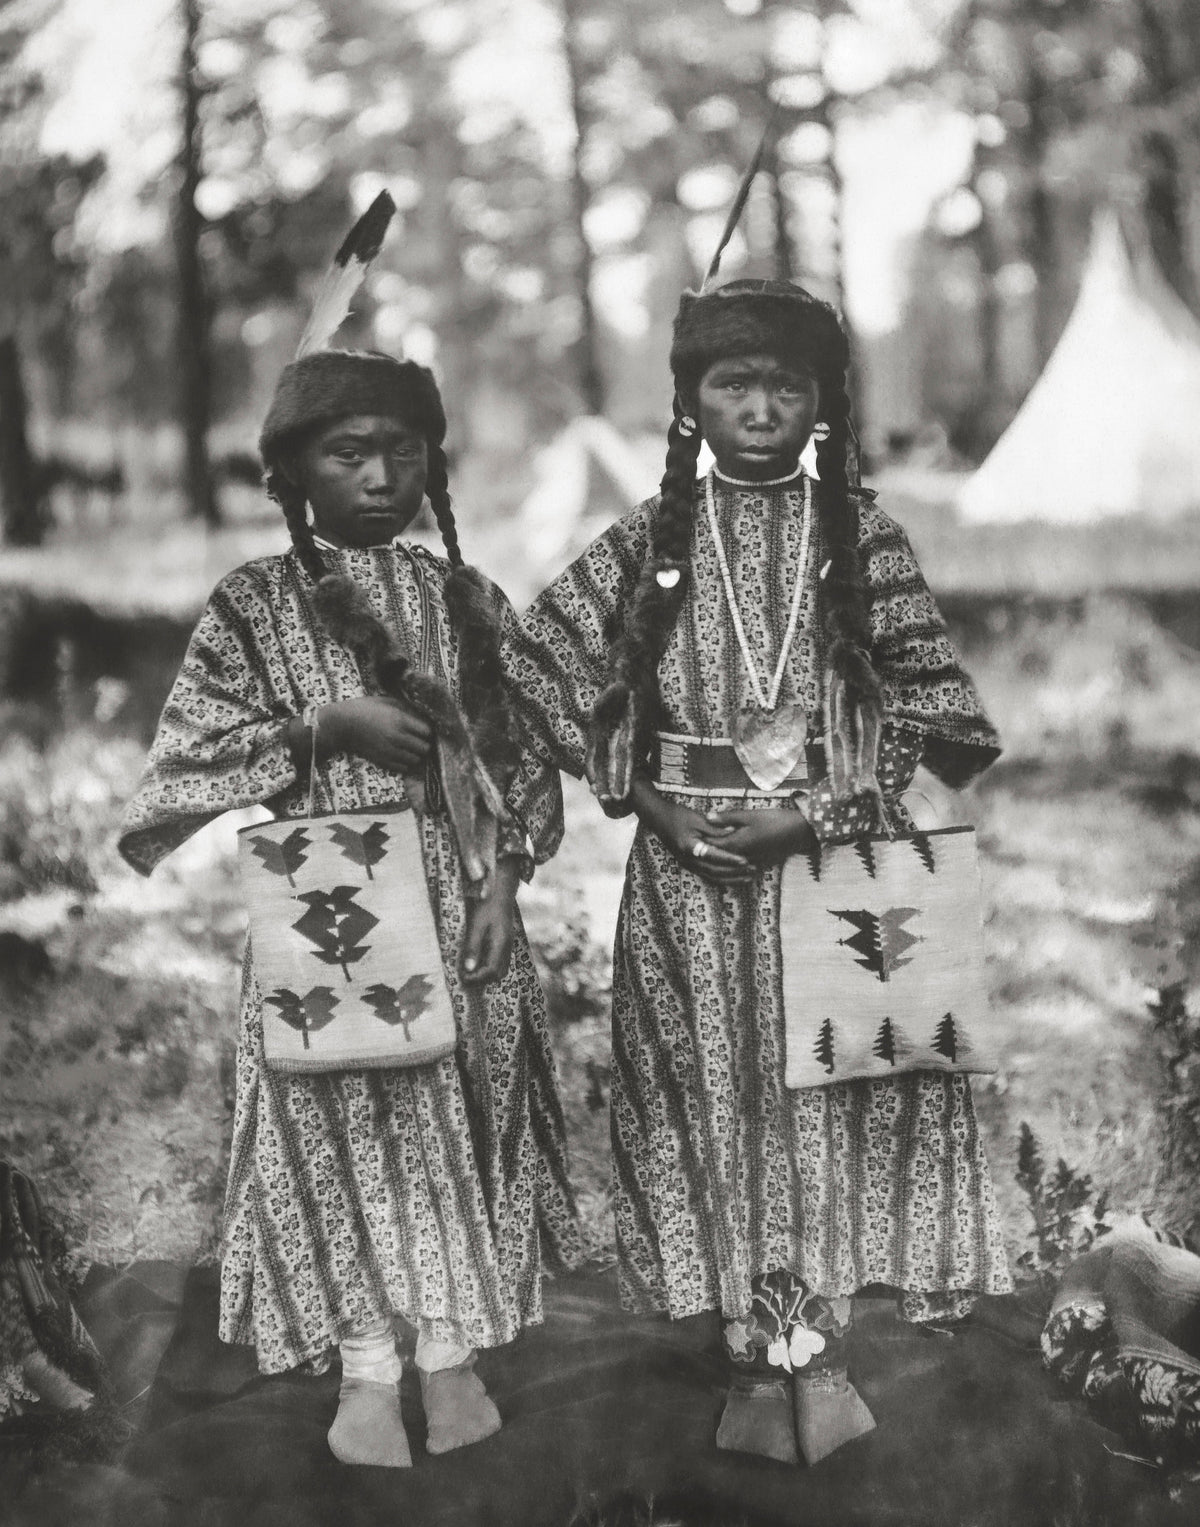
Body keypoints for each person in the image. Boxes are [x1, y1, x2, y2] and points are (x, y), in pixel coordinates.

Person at [509, 277, 1012, 1466]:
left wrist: (828, 814)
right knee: (712, 1097)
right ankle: (746, 1345)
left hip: (829, 879)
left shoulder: (867, 538)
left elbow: (940, 713)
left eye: (789, 386)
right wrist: (654, 803)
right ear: (687, 401)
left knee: (820, 1099)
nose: (761, 408)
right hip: (684, 881)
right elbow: (531, 669)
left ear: (825, 403)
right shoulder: (643, 544)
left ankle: (822, 1345)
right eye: (733, 383)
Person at [119, 347, 582, 1468]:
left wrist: (503, 889)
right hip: (327, 915)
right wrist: (322, 726)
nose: (380, 476)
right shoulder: (252, 604)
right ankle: (368, 1366)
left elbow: (520, 761)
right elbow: (184, 758)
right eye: (348, 452)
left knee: (455, 1117)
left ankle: (452, 1352)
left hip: (457, 900)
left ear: (433, 463)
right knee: (343, 1126)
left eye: (402, 452)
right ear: (292, 474)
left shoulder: (464, 598)